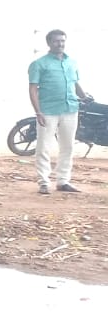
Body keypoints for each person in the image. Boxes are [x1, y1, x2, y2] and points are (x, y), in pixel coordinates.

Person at [28, 29, 94, 194]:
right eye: (57, 41)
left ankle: (63, 181)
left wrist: (84, 96)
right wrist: (38, 112)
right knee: (43, 146)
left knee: (68, 146)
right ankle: (43, 182)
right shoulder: (39, 64)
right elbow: (33, 89)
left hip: (70, 109)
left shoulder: (72, 62)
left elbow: (75, 84)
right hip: (48, 110)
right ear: (49, 43)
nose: (60, 44)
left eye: (63, 41)